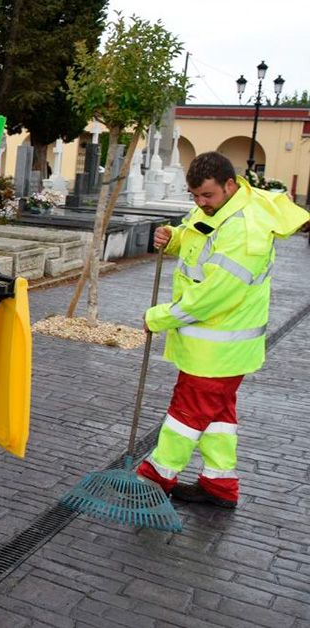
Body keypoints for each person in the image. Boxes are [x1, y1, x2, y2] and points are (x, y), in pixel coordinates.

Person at [136, 151, 309, 508]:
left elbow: (215, 295)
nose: (201, 203)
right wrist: (174, 237)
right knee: (217, 415)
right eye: (195, 196)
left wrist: (159, 317)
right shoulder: (219, 209)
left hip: (220, 348)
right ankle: (219, 484)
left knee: (187, 413)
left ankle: (154, 478)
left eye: (207, 196)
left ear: (230, 185)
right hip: (214, 348)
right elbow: (199, 235)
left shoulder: (245, 229)